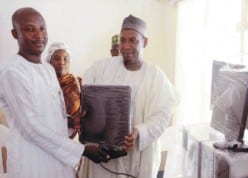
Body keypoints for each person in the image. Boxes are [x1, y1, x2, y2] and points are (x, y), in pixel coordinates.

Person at [0, 7, 108, 178]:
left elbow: (56, 118)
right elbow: (31, 127)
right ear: (15, 33)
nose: (39, 35)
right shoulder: (12, 72)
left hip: (58, 160)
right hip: (32, 162)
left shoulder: (47, 69)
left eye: (42, 28)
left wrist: (81, 122)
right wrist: (81, 151)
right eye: (30, 29)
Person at [79, 14, 178, 178]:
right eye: (123, 40)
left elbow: (162, 115)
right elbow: (86, 96)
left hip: (137, 157)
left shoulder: (155, 75)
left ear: (144, 42)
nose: (125, 46)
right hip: (103, 155)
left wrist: (139, 132)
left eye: (133, 40)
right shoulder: (101, 67)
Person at [46, 42, 81, 139]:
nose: (62, 62)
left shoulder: (78, 83)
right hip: (50, 139)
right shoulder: (43, 85)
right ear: (50, 61)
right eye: (57, 58)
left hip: (74, 140)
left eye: (66, 58)